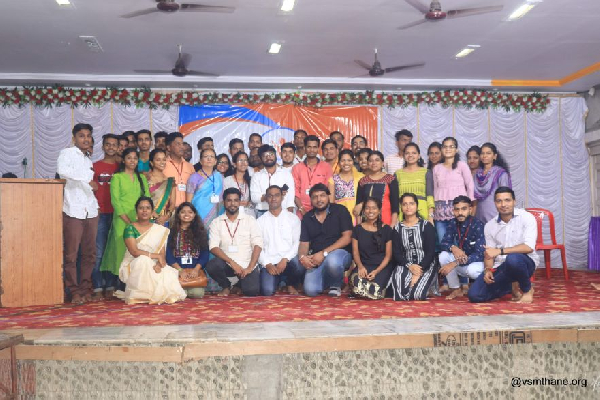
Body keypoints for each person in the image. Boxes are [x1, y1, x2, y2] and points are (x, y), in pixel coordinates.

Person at [468, 187, 539, 304]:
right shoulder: (490, 225)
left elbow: (528, 247)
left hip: (525, 263)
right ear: (495, 203)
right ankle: (509, 286)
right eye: (499, 201)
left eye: (507, 200)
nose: (503, 204)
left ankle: (527, 290)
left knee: (513, 259)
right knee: (475, 295)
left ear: (514, 201)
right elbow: (489, 253)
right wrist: (487, 270)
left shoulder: (526, 218)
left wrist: (500, 251)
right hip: (502, 266)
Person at [116, 197, 186, 305]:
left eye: (148, 208)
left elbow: (162, 254)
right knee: (143, 260)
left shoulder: (159, 229)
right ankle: (140, 295)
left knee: (167, 276)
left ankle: (152, 294)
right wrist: (156, 256)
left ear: (152, 211)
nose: (144, 211)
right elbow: (134, 252)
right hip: (133, 264)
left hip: (154, 263)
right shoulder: (130, 228)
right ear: (136, 210)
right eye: (141, 208)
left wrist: (158, 264)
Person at [57, 123, 99, 304]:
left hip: (91, 209)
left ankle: (85, 288)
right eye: (82, 136)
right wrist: (86, 180)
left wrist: (89, 185)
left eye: (88, 136)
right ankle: (73, 290)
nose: (86, 139)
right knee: (71, 254)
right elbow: (62, 172)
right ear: (74, 138)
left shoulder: (88, 159)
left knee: (89, 253)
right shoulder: (67, 153)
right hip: (73, 209)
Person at [288, 184, 353, 297]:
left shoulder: (340, 210)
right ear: (311, 200)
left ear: (328, 196)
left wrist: (324, 253)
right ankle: (329, 281)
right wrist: (303, 257)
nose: (319, 200)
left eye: (322, 195)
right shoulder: (308, 218)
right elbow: (304, 243)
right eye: (315, 197)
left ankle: (335, 285)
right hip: (317, 257)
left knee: (332, 261)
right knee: (310, 290)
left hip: (339, 254)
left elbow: (347, 237)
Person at [100, 148, 151, 291]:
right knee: (121, 250)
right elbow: (115, 201)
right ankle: (119, 283)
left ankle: (135, 282)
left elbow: (147, 199)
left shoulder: (141, 178)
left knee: (138, 249)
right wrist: (128, 221)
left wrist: (142, 219)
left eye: (135, 158)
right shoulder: (117, 177)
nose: (132, 161)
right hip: (122, 220)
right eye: (129, 158)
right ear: (123, 160)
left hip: (140, 220)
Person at [205, 188, 263, 296]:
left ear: (240, 202)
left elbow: (257, 245)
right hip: (227, 264)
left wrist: (250, 267)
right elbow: (213, 247)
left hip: (246, 264)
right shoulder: (216, 222)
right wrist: (232, 263)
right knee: (212, 265)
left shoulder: (250, 220)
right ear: (224, 202)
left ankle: (238, 285)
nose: (232, 204)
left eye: (236, 200)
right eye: (229, 200)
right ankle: (226, 286)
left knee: (251, 291)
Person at [389, 193, 437, 301]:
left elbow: (430, 253)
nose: (408, 207)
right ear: (401, 207)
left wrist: (418, 271)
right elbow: (397, 253)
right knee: (399, 294)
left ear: (416, 206)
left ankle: (427, 286)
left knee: (417, 295)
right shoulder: (397, 228)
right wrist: (410, 266)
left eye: (411, 203)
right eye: (405, 204)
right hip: (405, 264)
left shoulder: (426, 226)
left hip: (426, 264)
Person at [438, 196, 485, 300]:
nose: (460, 213)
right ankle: (456, 289)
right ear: (453, 211)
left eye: (464, 209)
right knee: (443, 256)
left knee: (473, 271)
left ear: (470, 209)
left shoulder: (478, 225)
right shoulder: (453, 223)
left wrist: (455, 263)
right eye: (457, 209)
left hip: (476, 264)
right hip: (462, 262)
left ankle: (485, 287)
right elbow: (444, 243)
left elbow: (480, 254)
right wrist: (453, 248)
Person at [257, 185, 301, 296]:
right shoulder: (260, 221)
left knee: (298, 264)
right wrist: (267, 263)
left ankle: (290, 283)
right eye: (270, 196)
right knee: (267, 291)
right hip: (270, 262)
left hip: (289, 261)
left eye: (277, 195)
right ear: (266, 199)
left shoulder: (293, 218)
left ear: (282, 197)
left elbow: (297, 243)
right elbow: (257, 246)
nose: (273, 199)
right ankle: (279, 281)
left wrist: (285, 259)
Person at [91, 133, 120, 300]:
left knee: (112, 251)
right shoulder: (94, 166)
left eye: (114, 144)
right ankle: (97, 286)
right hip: (100, 213)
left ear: (118, 147)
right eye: (107, 144)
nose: (110, 147)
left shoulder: (121, 167)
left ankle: (110, 285)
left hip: (117, 214)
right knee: (99, 252)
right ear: (102, 147)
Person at [433, 137, 474, 245]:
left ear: (456, 150)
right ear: (441, 149)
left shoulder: (462, 165)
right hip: (440, 212)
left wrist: (469, 207)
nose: (448, 149)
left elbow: (470, 186)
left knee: (459, 244)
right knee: (443, 243)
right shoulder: (437, 168)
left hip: (459, 211)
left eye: (451, 146)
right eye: (445, 146)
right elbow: (435, 189)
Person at [350, 197, 394, 299]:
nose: (370, 211)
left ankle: (378, 290)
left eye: (374, 208)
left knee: (375, 289)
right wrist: (360, 267)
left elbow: (388, 256)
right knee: (356, 282)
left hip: (381, 267)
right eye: (367, 208)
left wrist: (376, 271)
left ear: (379, 211)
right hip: (364, 266)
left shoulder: (386, 229)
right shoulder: (357, 229)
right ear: (364, 210)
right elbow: (355, 253)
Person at [166, 202, 210, 299]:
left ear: (194, 215)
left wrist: (196, 269)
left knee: (197, 294)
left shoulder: (201, 232)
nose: (186, 214)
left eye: (190, 212)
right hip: (176, 271)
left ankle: (184, 289)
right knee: (177, 293)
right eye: (183, 212)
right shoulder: (171, 232)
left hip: (194, 272)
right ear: (178, 214)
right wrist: (180, 270)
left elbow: (205, 253)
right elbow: (168, 254)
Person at [292, 135, 333, 217]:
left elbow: (329, 190)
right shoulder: (297, 168)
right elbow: (295, 191)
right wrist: (302, 209)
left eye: (314, 147)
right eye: (309, 147)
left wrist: (325, 211)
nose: (312, 150)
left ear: (318, 149)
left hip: (322, 210)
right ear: (304, 148)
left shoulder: (326, 167)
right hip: (301, 211)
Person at [355, 151, 399, 226]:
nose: (374, 163)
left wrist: (392, 225)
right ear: (368, 163)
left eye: (377, 160)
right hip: (366, 223)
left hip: (386, 222)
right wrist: (359, 226)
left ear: (382, 163)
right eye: (371, 161)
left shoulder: (390, 179)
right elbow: (358, 206)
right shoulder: (363, 181)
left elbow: (395, 206)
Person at [251, 145, 295, 218]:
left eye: (271, 154)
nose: (268, 157)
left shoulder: (286, 174)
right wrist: (269, 196)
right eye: (265, 155)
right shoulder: (256, 176)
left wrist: (289, 214)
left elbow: (290, 196)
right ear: (261, 158)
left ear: (276, 156)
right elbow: (254, 197)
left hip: (283, 211)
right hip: (263, 212)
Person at [474, 143, 512, 224]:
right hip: (479, 213)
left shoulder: (500, 173)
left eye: (488, 153)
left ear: (494, 156)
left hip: (495, 213)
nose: (485, 156)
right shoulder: (477, 174)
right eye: (482, 153)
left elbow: (505, 195)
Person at [395, 143, 434, 223]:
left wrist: (430, 217)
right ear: (404, 155)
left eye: (414, 153)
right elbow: (395, 199)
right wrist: (396, 218)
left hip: (423, 213)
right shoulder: (397, 174)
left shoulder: (426, 172)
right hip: (403, 214)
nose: (410, 155)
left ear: (419, 156)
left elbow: (430, 196)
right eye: (407, 153)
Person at [187, 148, 224, 227]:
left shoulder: (219, 177)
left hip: (218, 213)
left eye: (212, 156)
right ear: (201, 161)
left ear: (215, 161)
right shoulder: (194, 177)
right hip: (199, 213)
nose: (209, 159)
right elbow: (188, 201)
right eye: (206, 156)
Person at [328, 149, 364, 225]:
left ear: (353, 162)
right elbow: (331, 203)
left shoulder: (361, 177)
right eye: (343, 160)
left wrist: (361, 205)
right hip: (340, 217)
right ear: (339, 163)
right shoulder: (333, 179)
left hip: (358, 216)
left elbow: (367, 197)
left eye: (349, 160)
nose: (346, 163)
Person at [163, 132, 195, 207]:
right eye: (178, 144)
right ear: (169, 147)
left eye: (182, 144)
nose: (182, 147)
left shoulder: (190, 166)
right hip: (169, 209)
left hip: (186, 209)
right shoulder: (163, 165)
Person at [146, 149, 175, 226]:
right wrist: (153, 214)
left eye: (164, 159)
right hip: (147, 218)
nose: (162, 162)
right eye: (158, 160)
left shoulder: (170, 181)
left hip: (163, 221)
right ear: (151, 163)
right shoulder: (145, 179)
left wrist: (166, 217)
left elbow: (172, 204)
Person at [224, 151, 255, 217]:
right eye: (240, 160)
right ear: (234, 164)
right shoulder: (227, 180)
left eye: (245, 160)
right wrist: (237, 203)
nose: (243, 163)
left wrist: (249, 203)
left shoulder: (252, 179)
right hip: (234, 215)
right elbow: (223, 200)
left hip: (250, 215)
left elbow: (255, 201)